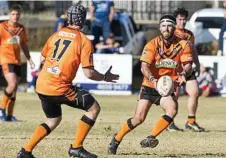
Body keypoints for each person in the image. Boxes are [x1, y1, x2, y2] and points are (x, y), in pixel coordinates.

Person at [17, 4, 119, 158]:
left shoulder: (56, 35)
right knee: (93, 109)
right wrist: (105, 77)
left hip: (42, 85)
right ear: (83, 19)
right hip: (59, 88)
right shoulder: (83, 41)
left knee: (53, 120)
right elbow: (89, 73)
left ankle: (26, 151)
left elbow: (43, 58)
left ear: (68, 18)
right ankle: (76, 148)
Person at [108, 14, 193, 155]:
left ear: (174, 27)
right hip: (150, 84)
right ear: (160, 28)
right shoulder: (152, 44)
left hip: (166, 87)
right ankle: (116, 139)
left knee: (172, 109)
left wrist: (184, 74)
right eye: (164, 25)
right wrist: (154, 80)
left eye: (170, 25)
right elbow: (144, 67)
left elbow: (188, 65)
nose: (167, 28)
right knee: (138, 119)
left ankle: (151, 137)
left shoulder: (183, 44)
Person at [166, 7, 205, 132]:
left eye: (184, 19)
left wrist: (197, 64)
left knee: (195, 92)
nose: (182, 22)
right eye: (180, 19)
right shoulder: (170, 33)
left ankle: (191, 122)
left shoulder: (189, 34)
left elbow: (193, 50)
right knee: (174, 96)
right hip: (175, 69)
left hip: (188, 68)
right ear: (175, 20)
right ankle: (169, 123)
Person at [0, 4, 35, 121]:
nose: (15, 16)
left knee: (14, 90)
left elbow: (24, 44)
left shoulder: (21, 28)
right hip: (5, 59)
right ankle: (1, 109)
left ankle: (9, 116)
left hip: (17, 61)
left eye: (17, 14)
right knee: (12, 84)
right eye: (13, 14)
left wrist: (29, 58)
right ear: (9, 15)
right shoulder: (2, 27)